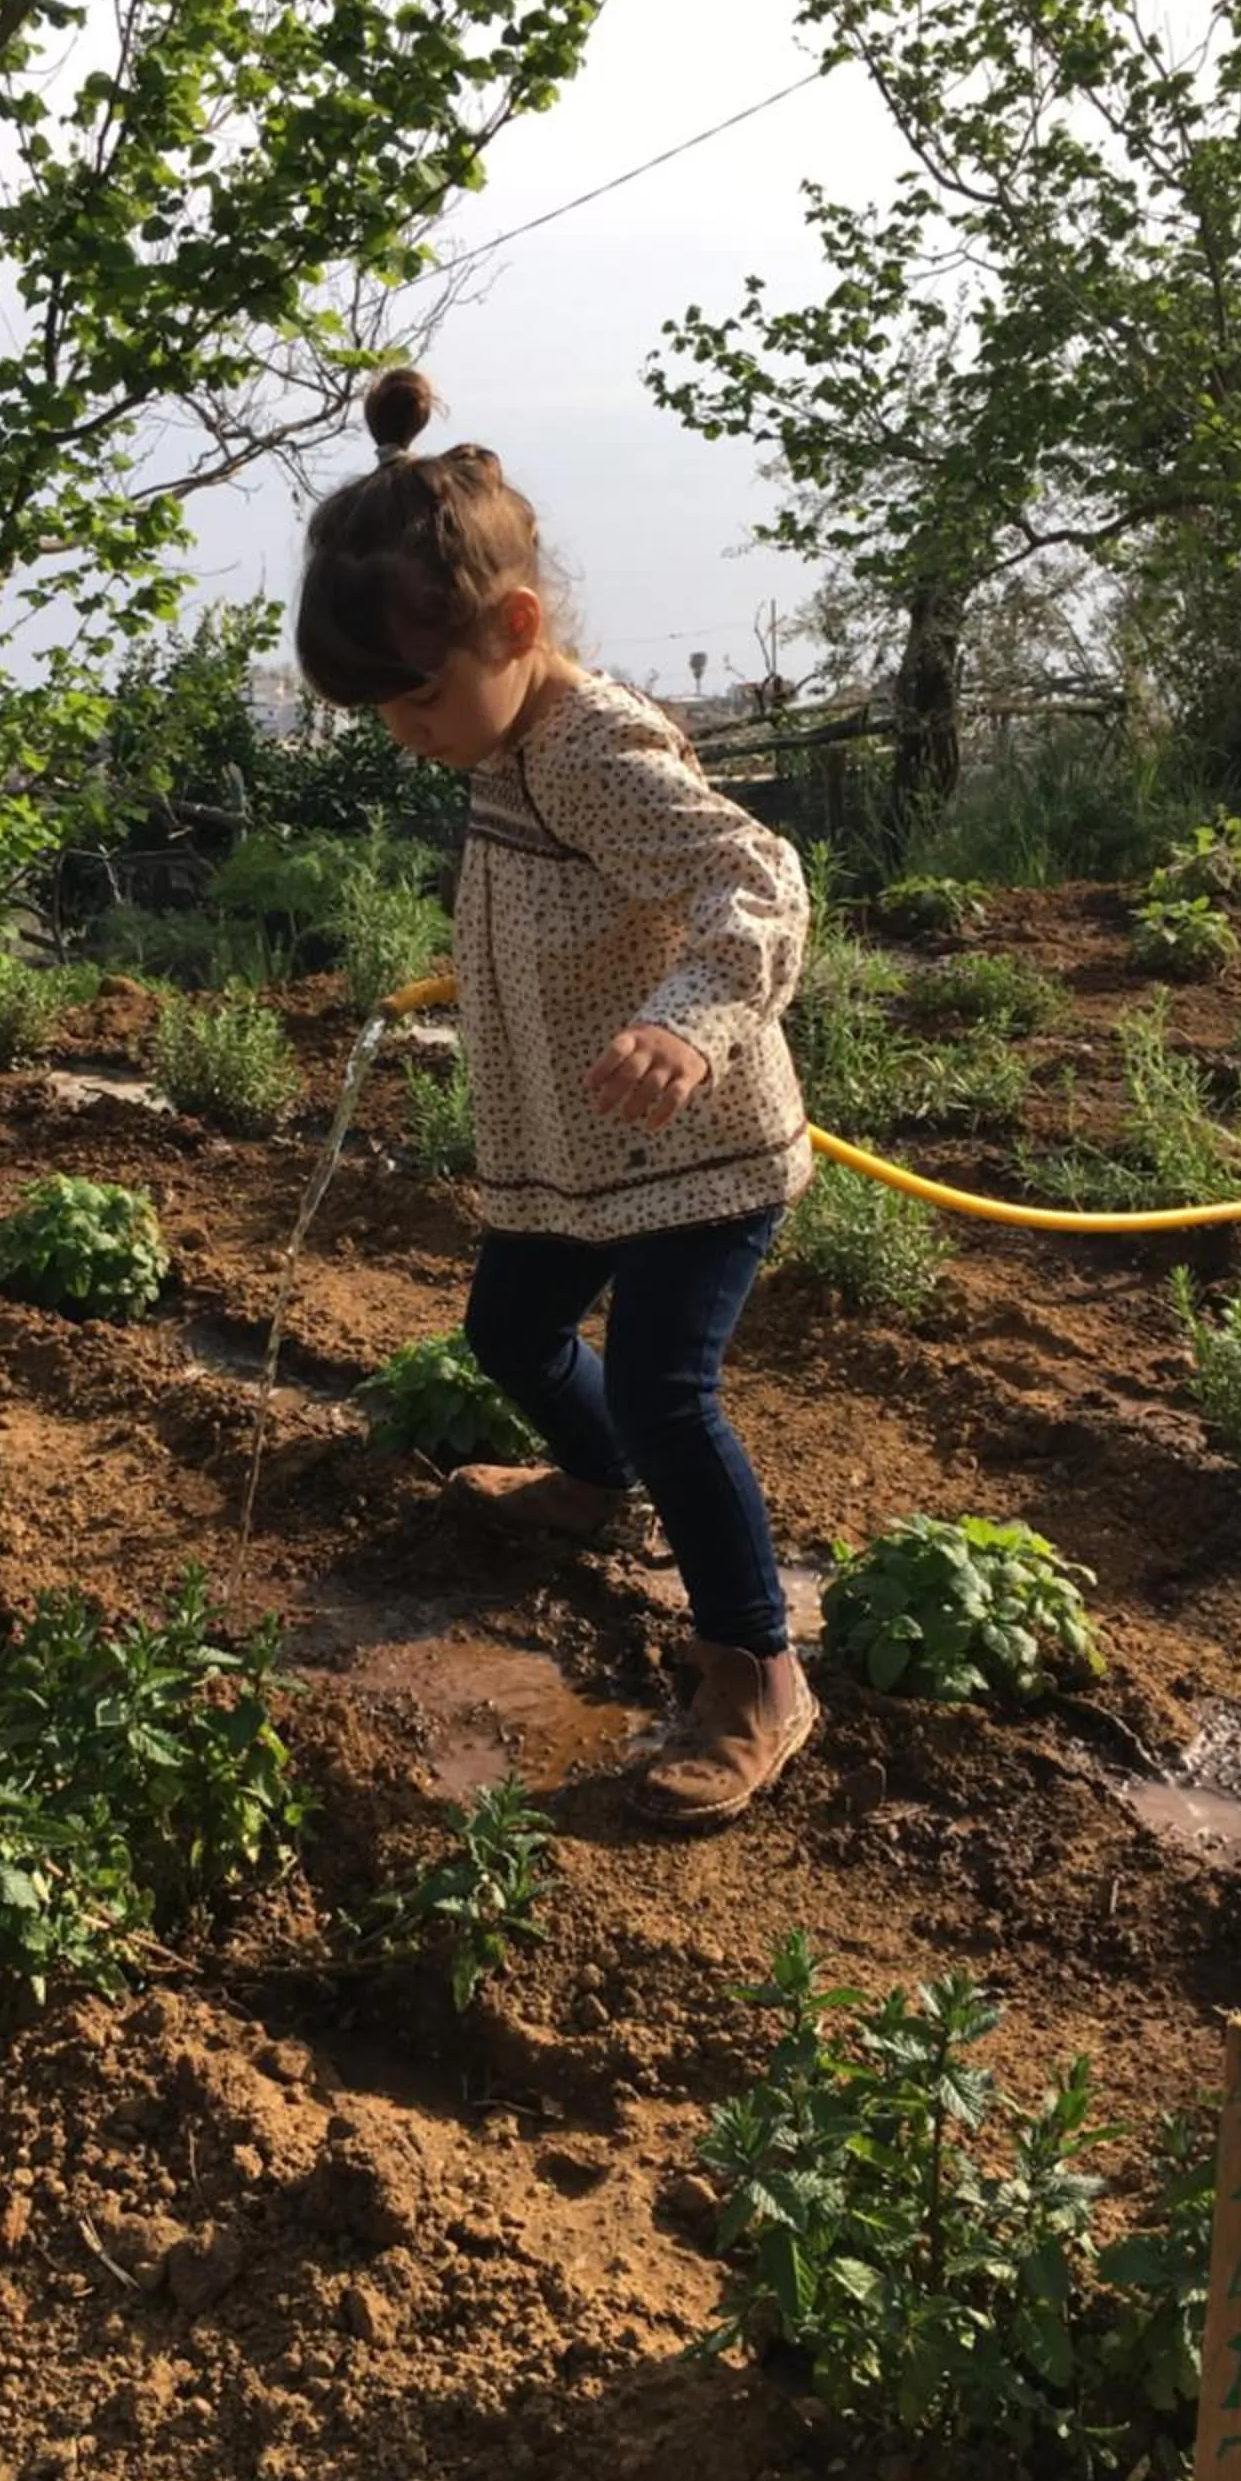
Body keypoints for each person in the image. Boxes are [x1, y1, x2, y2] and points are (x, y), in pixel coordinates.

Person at [294, 367, 817, 1830]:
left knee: (664, 1382)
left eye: (415, 693)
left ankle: (755, 1672)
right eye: (377, 707)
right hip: (578, 1145)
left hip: (693, 1143)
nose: (404, 729)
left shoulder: (589, 747)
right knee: (508, 1329)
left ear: (516, 629)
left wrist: (691, 1023)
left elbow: (752, 875)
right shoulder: (500, 733)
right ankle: (594, 1484)